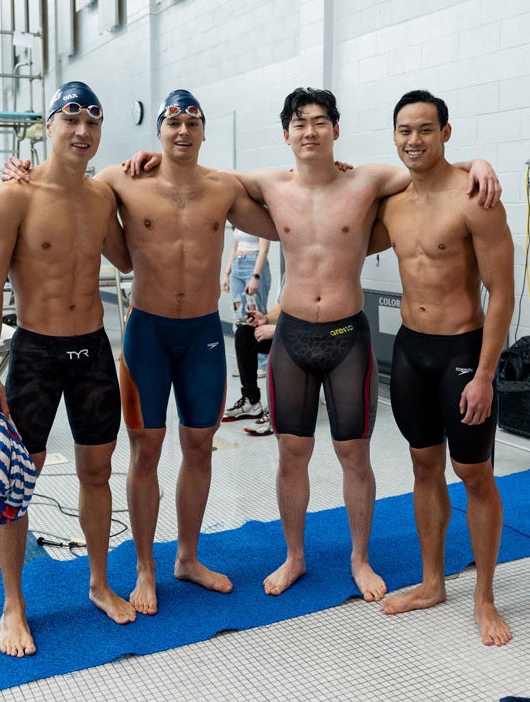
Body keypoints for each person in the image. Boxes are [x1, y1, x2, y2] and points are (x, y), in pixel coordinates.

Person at [123, 87, 501, 601]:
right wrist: (155, 156)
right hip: (294, 334)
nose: (309, 131)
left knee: (354, 454)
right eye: (299, 124)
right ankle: (294, 556)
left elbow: (431, 170)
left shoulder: (369, 180)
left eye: (320, 122)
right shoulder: (267, 185)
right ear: (285, 134)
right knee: (291, 454)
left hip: (348, 335)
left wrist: (479, 161)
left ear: (336, 130)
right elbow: (198, 174)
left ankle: (360, 559)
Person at [1, 88, 278, 616]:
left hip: (202, 336)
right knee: (143, 451)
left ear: (203, 131)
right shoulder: (119, 181)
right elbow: (58, 181)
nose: (181, 131)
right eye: (171, 122)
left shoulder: (223, 188)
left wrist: (322, 174)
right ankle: (145, 568)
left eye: (192, 122)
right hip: (146, 333)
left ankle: (189, 559)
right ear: (157, 133)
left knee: (200, 447)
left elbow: (282, 218)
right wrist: (20, 169)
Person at [0, 81, 137, 658]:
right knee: (18, 483)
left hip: (91, 349)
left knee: (98, 471)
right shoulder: (13, 196)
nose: (82, 131)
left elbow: (124, 255)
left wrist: (134, 176)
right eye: (71, 119)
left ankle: (98, 583)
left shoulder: (100, 198)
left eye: (93, 122)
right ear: (48, 126)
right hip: (37, 354)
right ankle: (13, 604)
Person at [369, 90, 514, 647]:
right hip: (411, 351)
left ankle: (485, 597)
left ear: (446, 133)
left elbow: (501, 293)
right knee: (423, 466)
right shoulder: (394, 202)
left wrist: (484, 374)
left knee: (474, 474)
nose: (414, 140)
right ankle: (433, 582)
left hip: (461, 352)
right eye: (404, 130)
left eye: (425, 129)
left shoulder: (476, 196)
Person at [221, 226, 271, 382]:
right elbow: (233, 248)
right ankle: (245, 363)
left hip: (254, 264)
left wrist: (255, 276)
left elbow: (264, 250)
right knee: (238, 315)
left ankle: (262, 364)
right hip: (238, 264)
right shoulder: (241, 220)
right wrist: (226, 274)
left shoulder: (261, 217)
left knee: (256, 313)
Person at [235, 300, 281, 436]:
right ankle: (251, 400)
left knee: (284, 340)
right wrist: (265, 319)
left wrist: (278, 329)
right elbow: (281, 307)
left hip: (312, 336)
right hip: (287, 329)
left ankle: (278, 411)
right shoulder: (288, 278)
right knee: (244, 333)